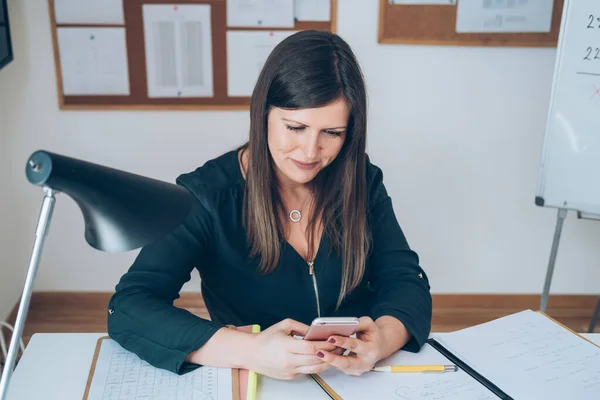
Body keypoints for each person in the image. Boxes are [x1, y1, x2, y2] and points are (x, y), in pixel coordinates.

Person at [107, 30, 432, 380]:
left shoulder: (362, 180)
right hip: (259, 380)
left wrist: (381, 339)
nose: (310, 152)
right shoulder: (205, 195)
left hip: (356, 380)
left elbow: (405, 280)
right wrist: (250, 350)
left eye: (332, 133)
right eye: (295, 127)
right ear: (262, 113)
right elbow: (128, 307)